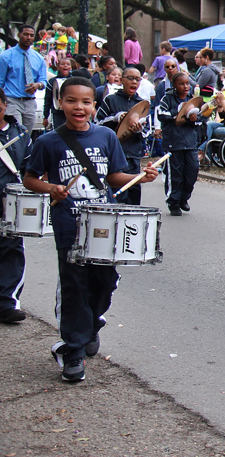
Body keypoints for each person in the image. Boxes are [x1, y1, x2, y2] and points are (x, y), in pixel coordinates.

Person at [24, 77, 160, 382]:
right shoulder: (49, 141)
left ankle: (91, 324)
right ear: (61, 103)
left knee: (105, 280)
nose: (79, 107)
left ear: (94, 106)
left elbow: (113, 176)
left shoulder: (106, 137)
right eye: (72, 101)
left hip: (103, 223)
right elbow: (29, 178)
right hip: (68, 223)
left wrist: (142, 177)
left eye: (86, 102)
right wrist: (51, 189)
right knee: (74, 284)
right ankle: (72, 351)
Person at [0, 89, 32, 324]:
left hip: (9, 202)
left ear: (4, 105)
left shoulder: (20, 134)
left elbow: (29, 168)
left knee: (11, 251)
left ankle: (7, 302)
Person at [96, 67, 146, 206]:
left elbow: (147, 130)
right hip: (116, 153)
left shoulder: (141, 103)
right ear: (121, 80)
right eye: (130, 78)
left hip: (134, 154)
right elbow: (98, 122)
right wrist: (115, 118)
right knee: (118, 191)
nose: (134, 82)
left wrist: (139, 129)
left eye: (137, 79)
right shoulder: (110, 100)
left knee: (134, 189)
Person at [157, 72, 205, 216]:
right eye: (181, 84)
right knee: (175, 174)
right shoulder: (168, 99)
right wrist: (178, 112)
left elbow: (200, 119)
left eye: (187, 84)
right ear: (174, 85)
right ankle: (173, 202)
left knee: (192, 170)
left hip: (190, 142)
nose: (185, 87)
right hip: (173, 142)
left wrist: (194, 118)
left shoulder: (192, 100)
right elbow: (161, 114)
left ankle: (184, 197)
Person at [0, 25, 49, 133]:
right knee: (16, 133)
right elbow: (0, 81)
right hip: (12, 100)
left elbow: (43, 80)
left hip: (30, 102)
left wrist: (38, 85)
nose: (28, 38)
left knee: (27, 136)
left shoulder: (38, 58)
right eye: (25, 34)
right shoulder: (5, 56)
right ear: (19, 35)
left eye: (31, 35)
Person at [43, 57, 73, 130]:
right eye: (62, 64)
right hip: (57, 113)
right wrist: (45, 116)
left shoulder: (75, 81)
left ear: (71, 68)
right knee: (59, 131)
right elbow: (48, 99)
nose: (65, 66)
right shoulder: (52, 82)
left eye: (68, 64)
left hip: (72, 111)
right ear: (58, 67)